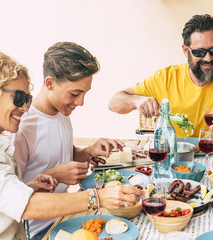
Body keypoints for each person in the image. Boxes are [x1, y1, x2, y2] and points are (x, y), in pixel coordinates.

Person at [0, 52, 143, 239]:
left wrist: (29, 186)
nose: (25, 108)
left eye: (27, 99)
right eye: (19, 98)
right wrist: (98, 197)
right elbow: (26, 206)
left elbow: (4, 194)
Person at [10, 42, 133, 239]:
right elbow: (13, 195)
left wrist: (89, 151)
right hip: (39, 229)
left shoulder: (62, 112)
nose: (81, 102)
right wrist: (56, 176)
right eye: (75, 93)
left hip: (67, 216)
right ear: (50, 83)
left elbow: (53, 154)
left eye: (85, 93)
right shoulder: (22, 126)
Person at [108, 14, 213, 146]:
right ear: (185, 51)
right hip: (173, 156)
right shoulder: (165, 78)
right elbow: (113, 103)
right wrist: (136, 100)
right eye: (199, 52)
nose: (208, 58)